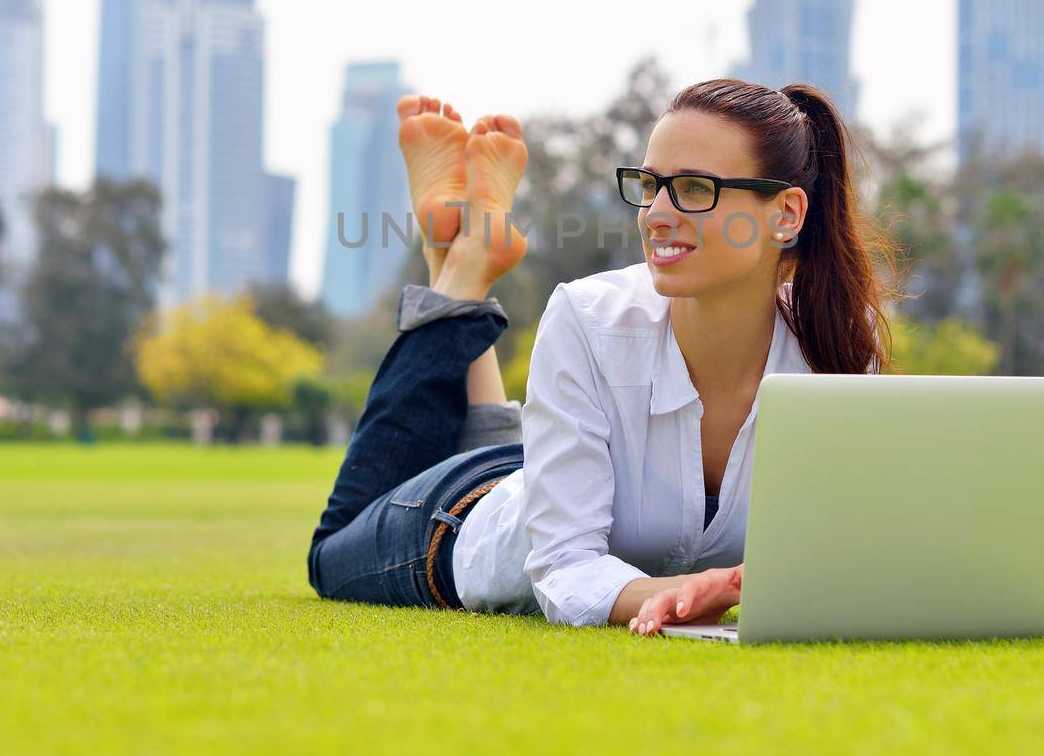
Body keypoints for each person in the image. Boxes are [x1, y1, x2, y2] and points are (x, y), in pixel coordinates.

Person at [306, 78, 889, 636]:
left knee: (529, 468)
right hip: (465, 520)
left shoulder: (837, 343)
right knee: (330, 552)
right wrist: (690, 589)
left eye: (693, 188)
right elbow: (564, 565)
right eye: (650, 183)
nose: (657, 212)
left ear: (786, 214)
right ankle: (458, 267)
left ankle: (459, 252)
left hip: (545, 474)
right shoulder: (590, 318)